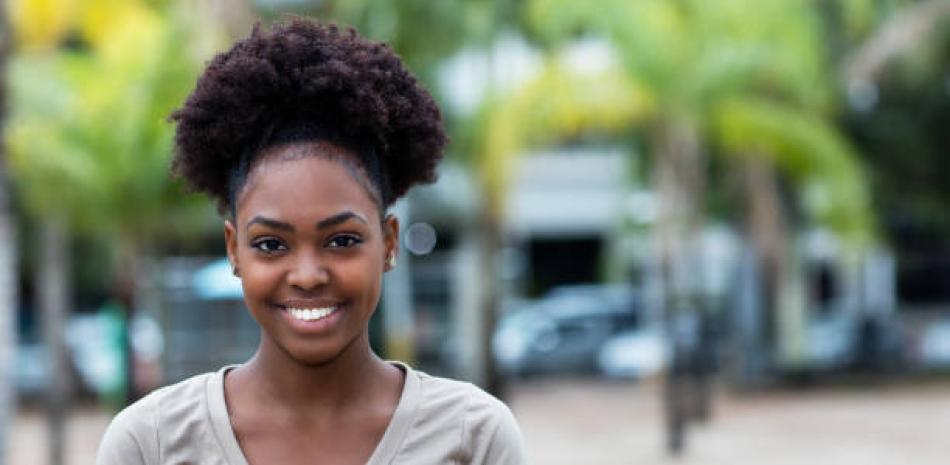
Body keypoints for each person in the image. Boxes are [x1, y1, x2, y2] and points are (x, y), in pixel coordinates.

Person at [96, 17, 525, 465]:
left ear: (389, 243)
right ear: (233, 250)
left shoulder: (472, 435)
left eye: (341, 240)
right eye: (270, 244)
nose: (307, 275)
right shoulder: (151, 442)